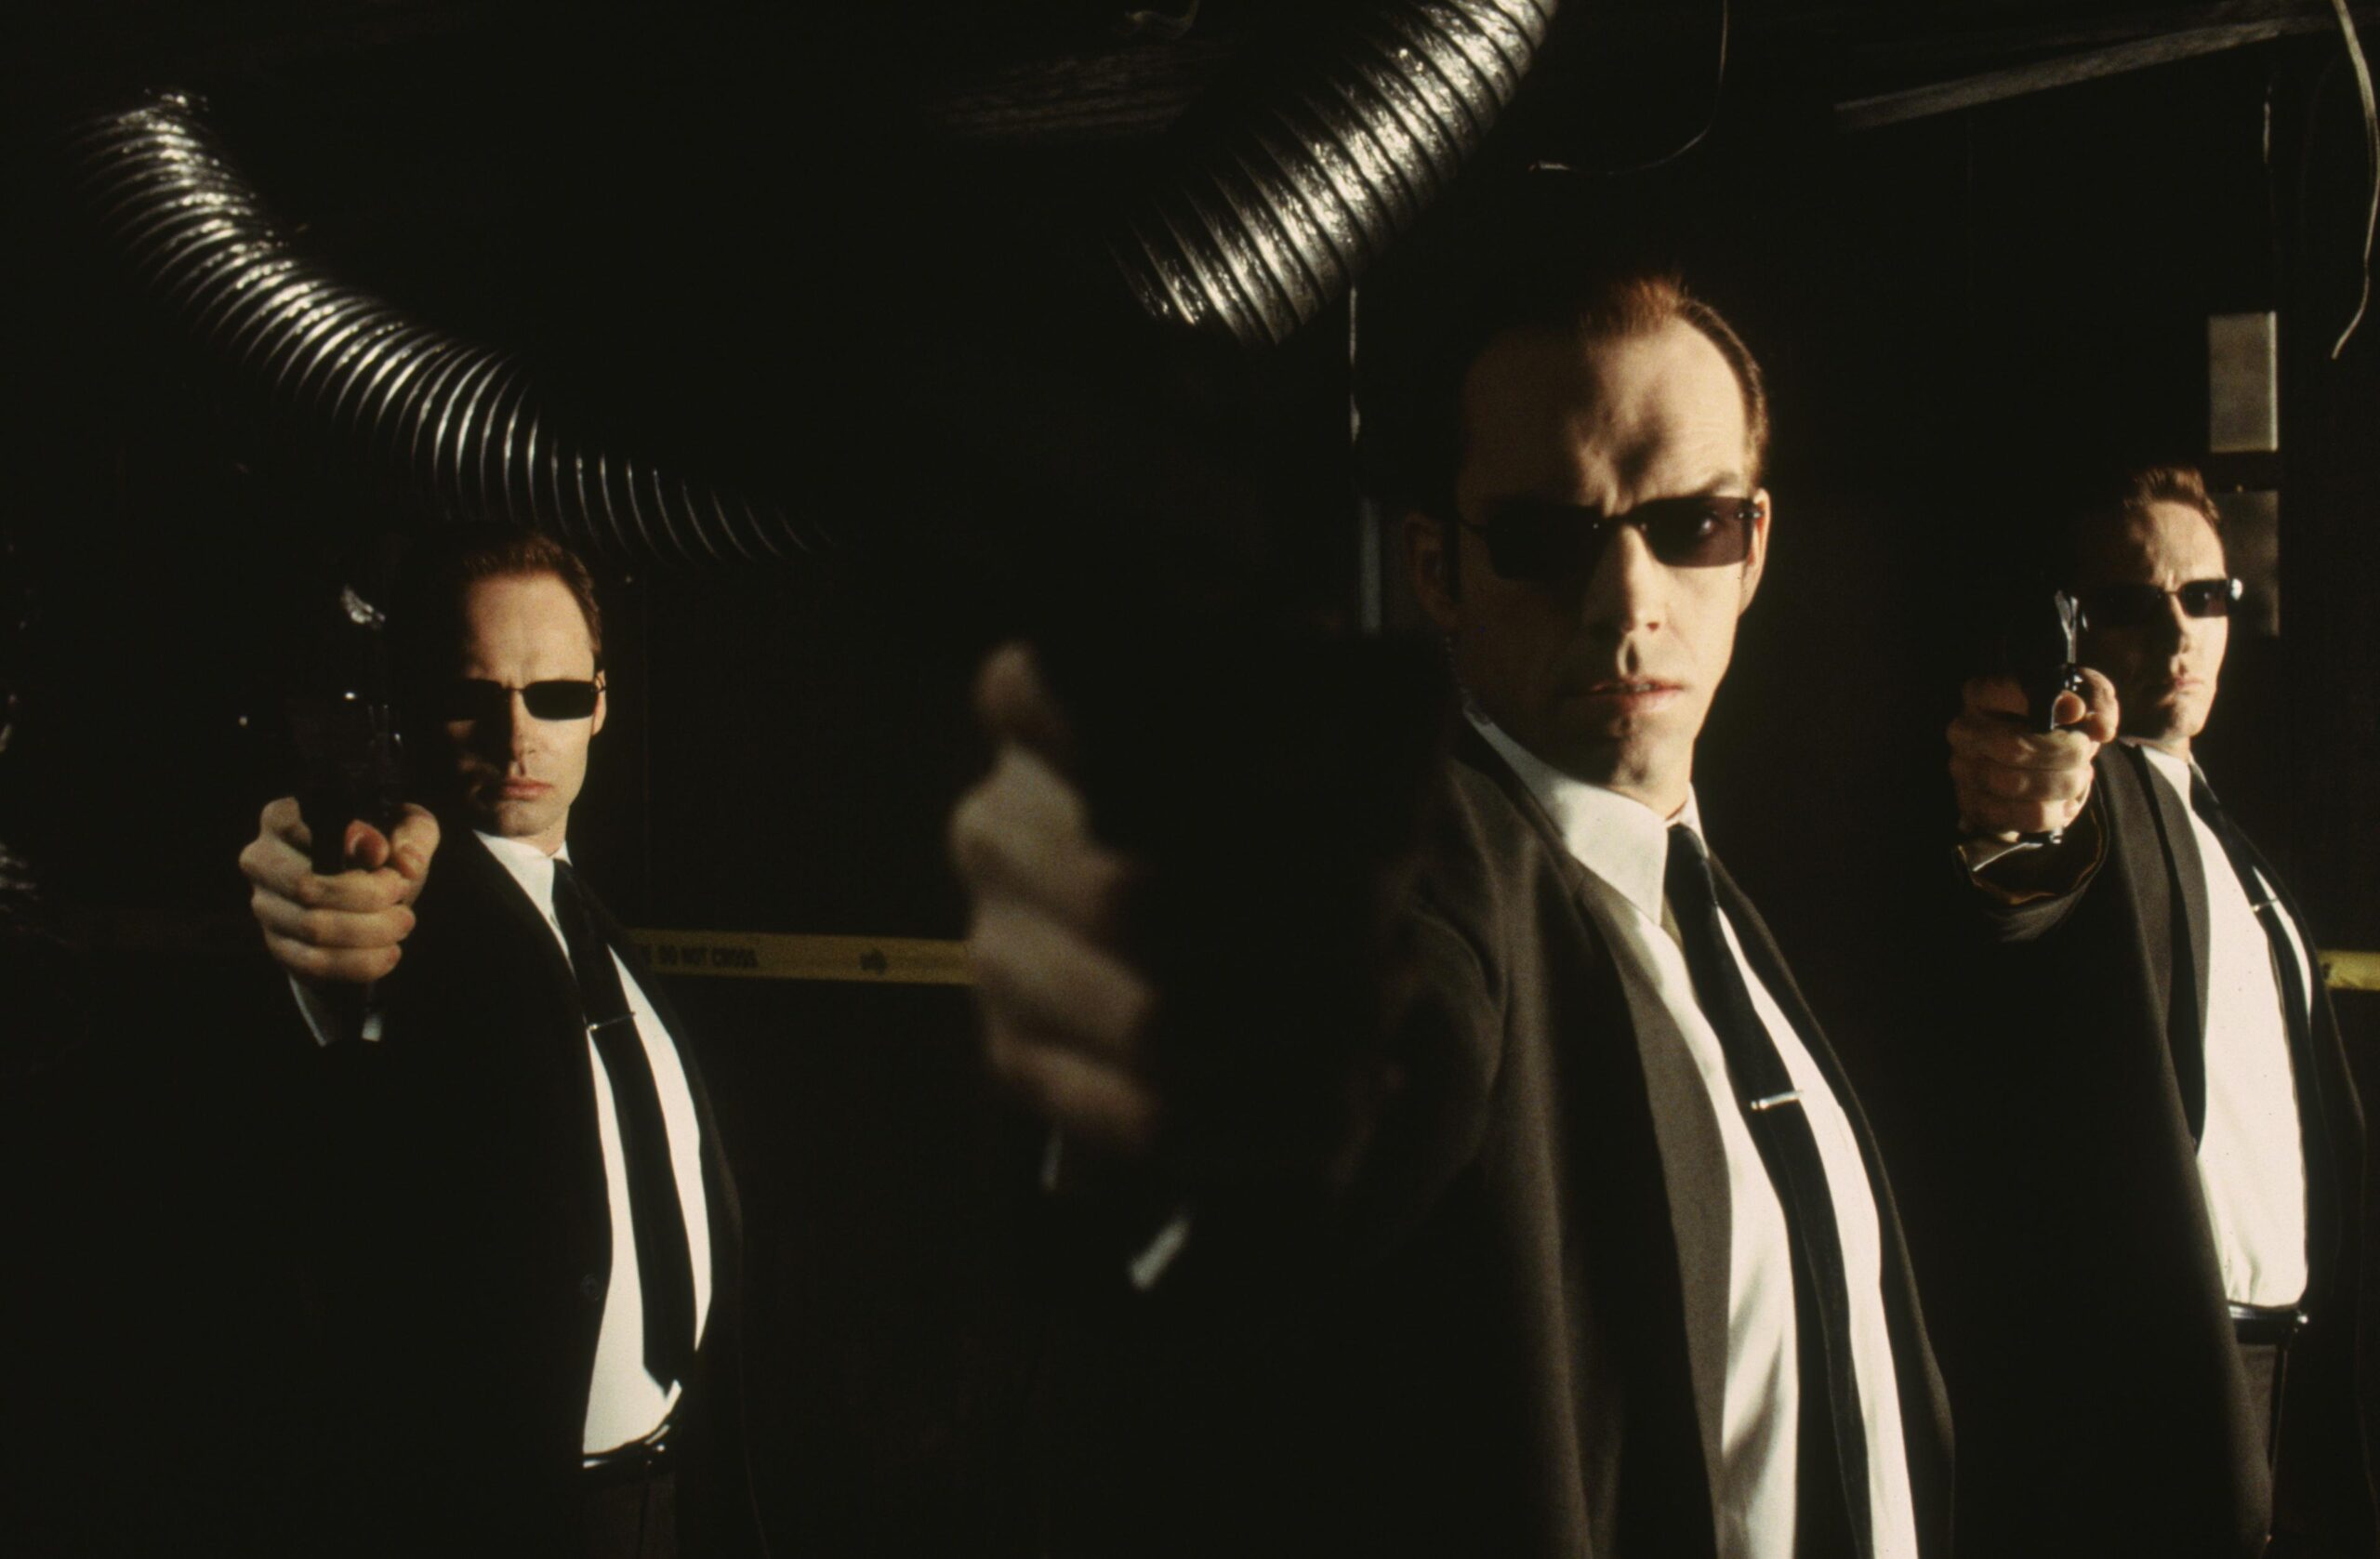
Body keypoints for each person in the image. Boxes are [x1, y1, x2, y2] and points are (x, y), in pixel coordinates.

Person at [950, 268, 1952, 1557]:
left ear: (1752, 546)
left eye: (1689, 526)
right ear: (1436, 566)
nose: (1627, 598)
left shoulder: (1708, 915)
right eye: (1545, 538)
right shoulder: (1440, 873)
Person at [237, 525, 761, 1557]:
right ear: (413, 709)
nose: (518, 738)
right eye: (472, 696)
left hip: (665, 1499)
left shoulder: (595, 932)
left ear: (600, 704)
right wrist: (324, 909)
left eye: (553, 695)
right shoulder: (416, 909)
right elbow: (343, 963)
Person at [1937, 465, 2373, 1554]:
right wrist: (2026, 813)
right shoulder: (2106, 788)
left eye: (2204, 597)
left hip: (2291, 1373)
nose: (2177, 633)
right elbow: (2030, 864)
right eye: (2132, 603)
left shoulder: (2222, 830)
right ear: (2072, 623)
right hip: (2163, 1391)